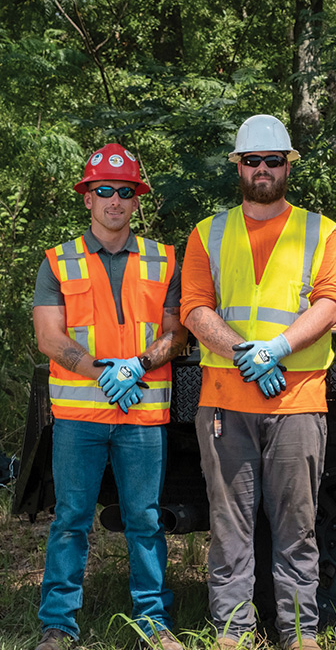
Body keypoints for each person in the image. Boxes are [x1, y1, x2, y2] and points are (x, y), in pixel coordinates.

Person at [181, 115, 336, 650]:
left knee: (297, 530)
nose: (262, 170)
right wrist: (242, 352)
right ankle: (233, 634)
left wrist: (278, 348)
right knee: (230, 531)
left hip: (298, 401)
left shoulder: (322, 230)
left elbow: (330, 301)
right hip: (227, 403)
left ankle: (300, 635)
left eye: (272, 161)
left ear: (287, 165)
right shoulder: (209, 232)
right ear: (238, 166)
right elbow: (194, 308)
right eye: (252, 161)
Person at [32, 144, 187, 650]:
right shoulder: (59, 261)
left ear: (137, 200)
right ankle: (58, 623)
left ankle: (151, 622)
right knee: (71, 519)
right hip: (79, 416)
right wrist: (101, 371)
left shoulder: (165, 259)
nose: (114, 201)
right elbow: (49, 338)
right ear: (87, 198)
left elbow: (176, 335)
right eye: (104, 190)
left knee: (145, 519)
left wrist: (138, 365)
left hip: (142, 416)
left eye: (124, 192)